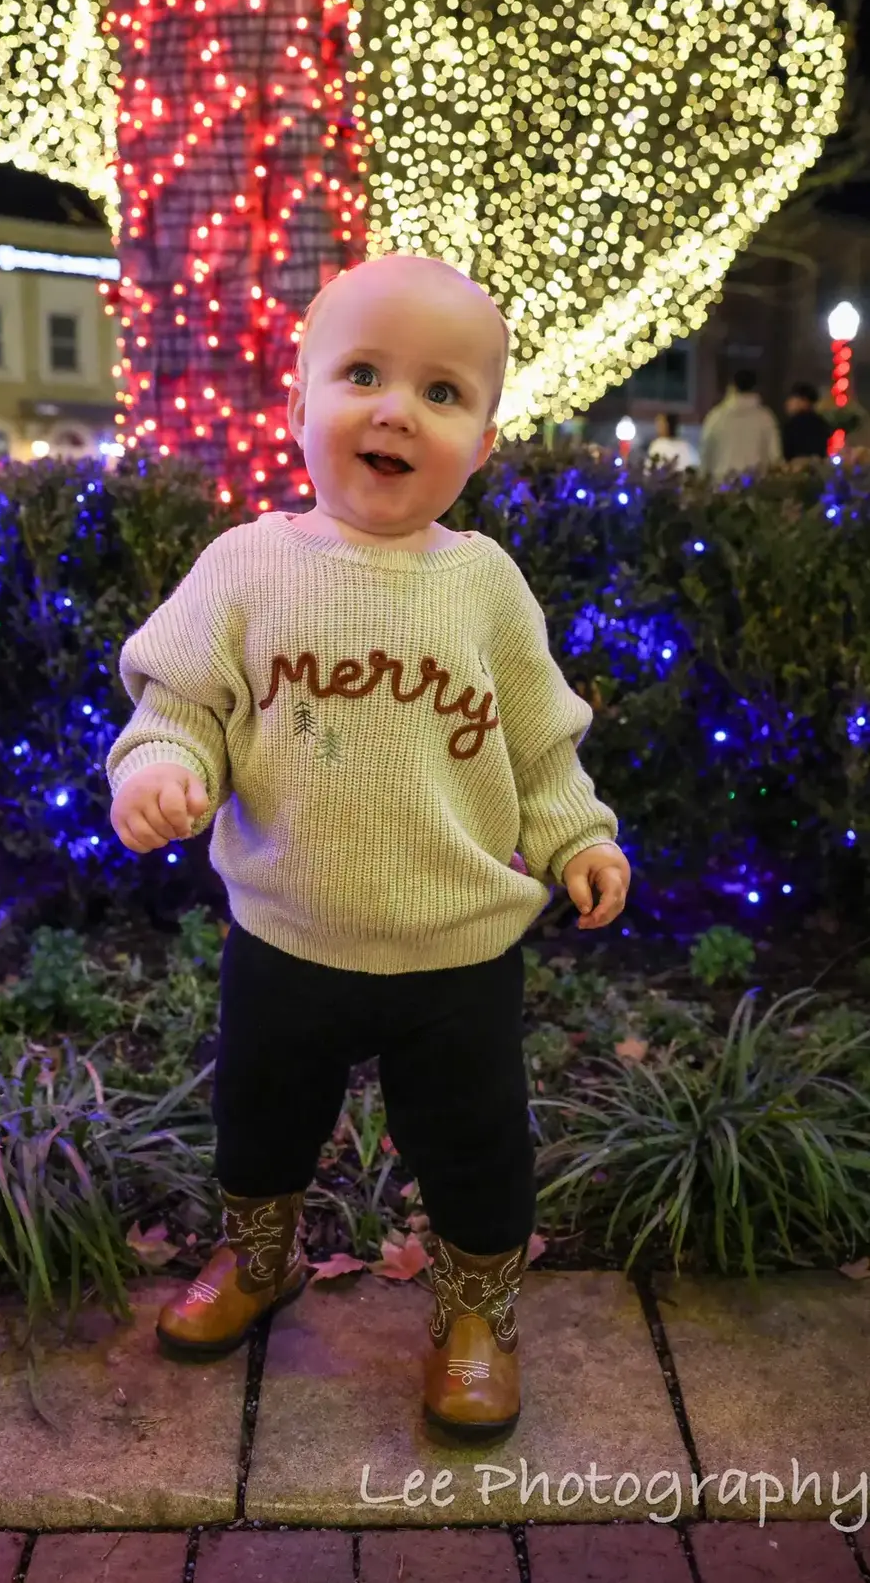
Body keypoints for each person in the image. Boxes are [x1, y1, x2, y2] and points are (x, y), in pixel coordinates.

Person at [106, 255, 631, 1442]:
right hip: (289, 930)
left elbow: (542, 749)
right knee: (261, 1118)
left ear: (482, 443)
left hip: (455, 950)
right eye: (361, 374)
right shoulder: (247, 565)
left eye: (442, 393)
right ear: (297, 405)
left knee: (477, 1142)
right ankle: (257, 1258)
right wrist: (160, 771)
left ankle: (478, 1312)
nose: (396, 408)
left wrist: (580, 837)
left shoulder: (483, 584)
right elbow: (175, 703)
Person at [699, 369, 782, 480]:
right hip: (755, 485)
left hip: (722, 485)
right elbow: (775, 456)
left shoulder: (716, 417)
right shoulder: (766, 418)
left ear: (732, 387)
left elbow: (706, 454)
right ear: (756, 388)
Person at [781, 382, 830, 461]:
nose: (788, 403)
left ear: (804, 401)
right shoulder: (821, 423)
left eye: (792, 399)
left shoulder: (793, 424)